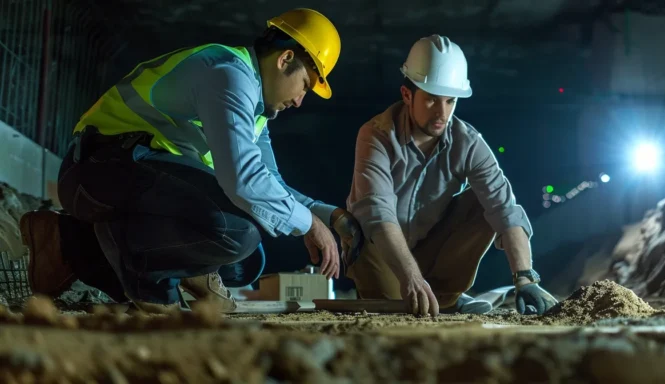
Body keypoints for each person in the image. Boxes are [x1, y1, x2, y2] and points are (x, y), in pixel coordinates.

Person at [18, 8, 362, 314]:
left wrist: (328, 216)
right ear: (285, 59)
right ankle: (147, 283)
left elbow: (269, 182)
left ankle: (69, 242)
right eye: (305, 85)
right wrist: (309, 226)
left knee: (244, 263)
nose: (300, 101)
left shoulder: (254, 109)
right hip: (98, 167)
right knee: (237, 232)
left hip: (131, 173)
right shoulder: (229, 74)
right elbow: (244, 181)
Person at [339, 34, 558, 316]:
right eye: (431, 100)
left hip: (430, 250)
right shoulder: (376, 135)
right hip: (380, 250)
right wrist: (411, 278)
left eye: (450, 101)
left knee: (481, 202)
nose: (442, 113)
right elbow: (377, 214)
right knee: (396, 308)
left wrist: (525, 279)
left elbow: (505, 209)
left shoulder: (468, 142)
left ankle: (447, 296)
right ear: (407, 95)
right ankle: (438, 297)